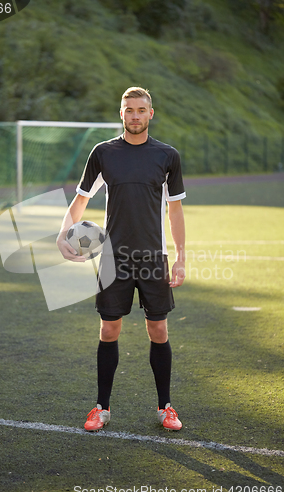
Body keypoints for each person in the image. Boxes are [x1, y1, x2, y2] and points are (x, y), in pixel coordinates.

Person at [57, 87, 186, 432]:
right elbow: (81, 199)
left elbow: (175, 211)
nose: (135, 116)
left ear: (150, 114)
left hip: (153, 256)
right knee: (109, 328)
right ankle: (101, 407)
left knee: (158, 329)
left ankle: (165, 407)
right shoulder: (103, 153)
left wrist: (181, 257)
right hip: (114, 258)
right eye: (129, 110)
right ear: (121, 113)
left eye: (141, 110)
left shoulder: (167, 156)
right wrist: (62, 233)